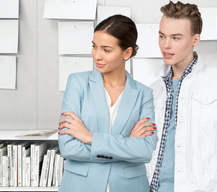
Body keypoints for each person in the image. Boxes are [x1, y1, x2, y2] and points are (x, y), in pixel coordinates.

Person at [130, 1, 217, 192]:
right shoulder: (154, 89)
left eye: (176, 38)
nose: (166, 45)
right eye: (162, 36)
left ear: (195, 39)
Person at [57, 15, 158, 192]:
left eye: (106, 50)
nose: (97, 56)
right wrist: (127, 145)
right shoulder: (77, 83)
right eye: (94, 46)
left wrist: (90, 138)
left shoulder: (144, 94)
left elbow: (144, 151)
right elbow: (68, 147)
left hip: (129, 187)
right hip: (81, 185)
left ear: (126, 53)